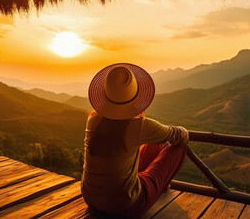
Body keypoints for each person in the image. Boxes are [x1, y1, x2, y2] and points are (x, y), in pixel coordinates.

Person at [81, 63, 189, 218]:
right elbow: (181, 136)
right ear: (135, 95)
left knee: (155, 142)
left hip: (91, 199)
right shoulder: (139, 126)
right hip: (124, 206)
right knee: (179, 147)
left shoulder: (93, 121)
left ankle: (155, 185)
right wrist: (178, 129)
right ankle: (160, 187)